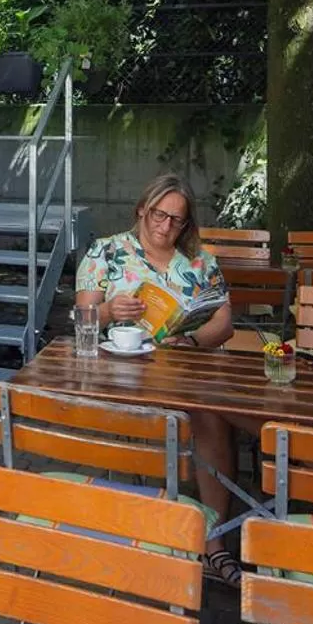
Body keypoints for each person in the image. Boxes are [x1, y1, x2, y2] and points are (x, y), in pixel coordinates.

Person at [73, 174, 244, 585]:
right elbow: (82, 318)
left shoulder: (200, 261)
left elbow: (224, 322)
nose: (165, 227)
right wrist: (111, 312)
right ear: (141, 210)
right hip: (126, 375)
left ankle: (213, 542)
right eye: (159, 215)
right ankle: (149, 529)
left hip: (189, 371)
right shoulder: (106, 253)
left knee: (212, 413)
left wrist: (192, 339)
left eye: (177, 221)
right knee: (207, 412)